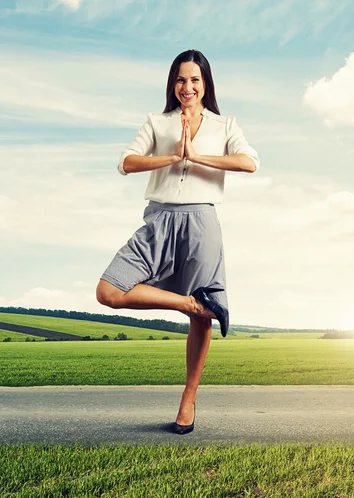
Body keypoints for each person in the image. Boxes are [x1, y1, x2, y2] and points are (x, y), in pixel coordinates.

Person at [96, 49, 260, 435]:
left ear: (206, 84)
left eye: (195, 80)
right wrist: (171, 157)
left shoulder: (225, 124)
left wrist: (196, 156)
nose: (188, 87)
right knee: (109, 291)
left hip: (202, 219)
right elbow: (126, 162)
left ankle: (188, 399)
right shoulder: (157, 121)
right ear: (173, 84)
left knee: (199, 323)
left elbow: (249, 161)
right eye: (181, 79)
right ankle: (191, 302)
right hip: (159, 219)